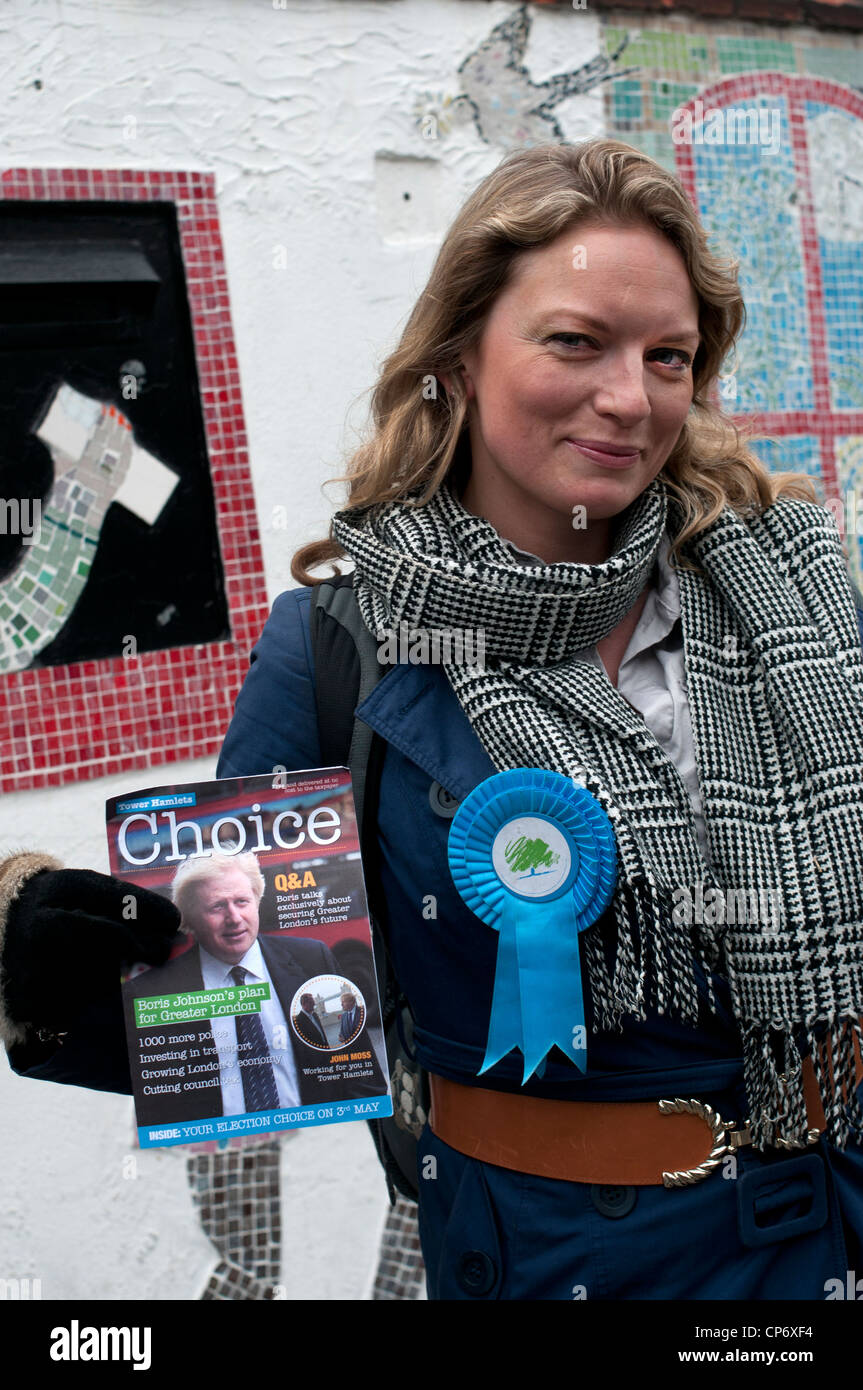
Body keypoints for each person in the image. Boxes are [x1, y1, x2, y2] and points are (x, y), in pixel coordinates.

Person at [2, 137, 863, 1302]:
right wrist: (57, 956)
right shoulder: (335, 650)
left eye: (668, 355)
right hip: (550, 1260)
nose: (630, 395)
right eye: (575, 341)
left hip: (828, 1234)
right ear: (455, 358)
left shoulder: (796, 592)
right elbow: (253, 1024)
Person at [122, 851, 342, 1124]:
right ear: (189, 920)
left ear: (257, 902)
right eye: (217, 906)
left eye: (242, 902)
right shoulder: (148, 994)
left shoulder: (313, 960)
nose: (235, 918)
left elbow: (354, 1072)